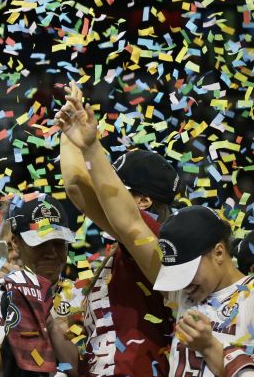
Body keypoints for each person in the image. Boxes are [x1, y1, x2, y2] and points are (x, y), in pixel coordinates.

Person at [58, 85, 254, 377]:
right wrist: (88, 146)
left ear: (219, 252)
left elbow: (127, 219)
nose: (181, 280)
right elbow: (128, 224)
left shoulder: (252, 297)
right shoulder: (184, 294)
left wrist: (210, 348)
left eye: (188, 270)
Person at [58, 82, 180, 376]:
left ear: (144, 202)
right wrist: (70, 129)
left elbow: (79, 189)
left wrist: (87, 145)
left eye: (115, 189)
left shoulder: (157, 239)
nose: (102, 194)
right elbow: (77, 184)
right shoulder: (121, 253)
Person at [0, 193, 79, 377]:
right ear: (16, 243)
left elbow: (88, 370)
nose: (51, 253)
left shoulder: (81, 296)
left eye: (59, 243)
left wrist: (49, 327)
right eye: (41, 243)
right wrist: (16, 343)